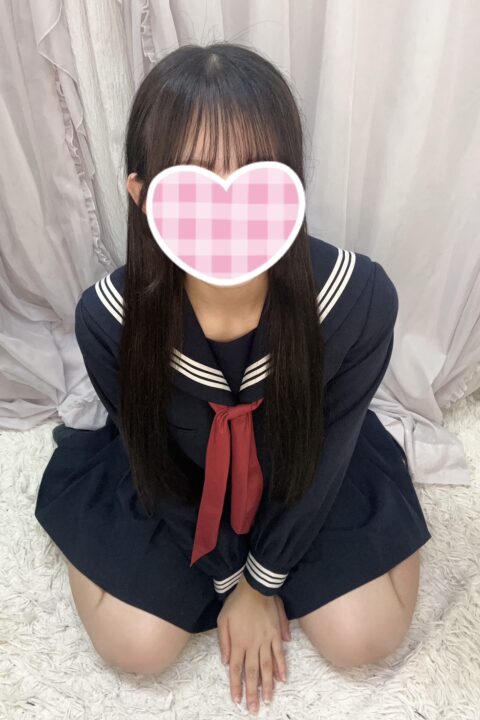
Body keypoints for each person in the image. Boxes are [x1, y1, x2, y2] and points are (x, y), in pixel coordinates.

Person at [35, 42, 432, 714]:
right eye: (192, 180)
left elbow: (333, 441)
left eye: (255, 175)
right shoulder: (109, 319)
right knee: (137, 647)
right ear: (142, 195)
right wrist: (229, 582)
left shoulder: (359, 298)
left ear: (292, 186)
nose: (226, 208)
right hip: (178, 477)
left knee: (365, 638)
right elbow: (149, 455)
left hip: (307, 466)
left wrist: (264, 578)